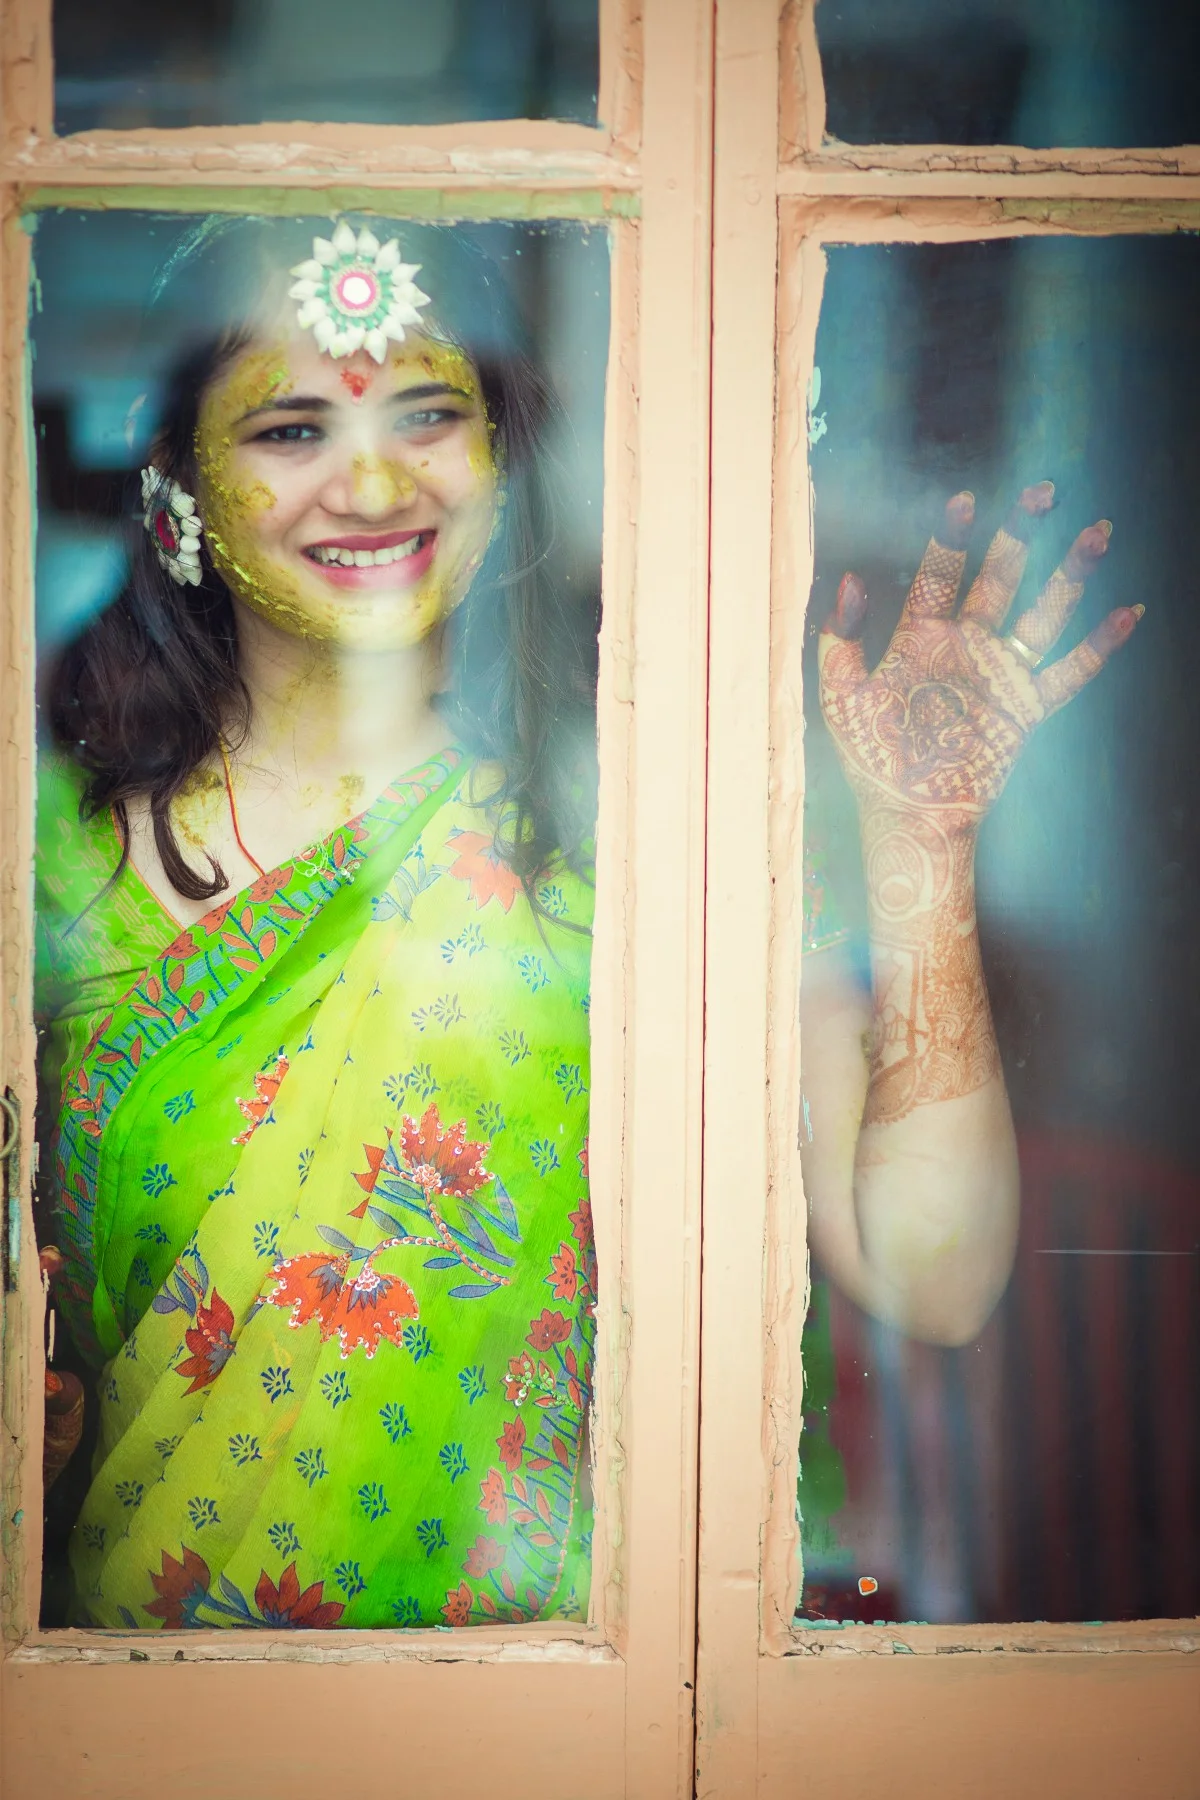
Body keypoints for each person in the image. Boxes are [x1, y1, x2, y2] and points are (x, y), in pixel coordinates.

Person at [37, 217, 598, 1630]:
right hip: (132, 1706)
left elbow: (932, 1279)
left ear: (500, 464)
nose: (369, 481)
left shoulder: (634, 836)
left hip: (565, 1703)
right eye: (292, 427)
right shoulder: (54, 862)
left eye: (427, 416)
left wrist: (924, 843)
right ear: (180, 490)